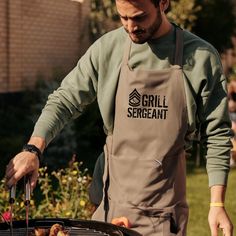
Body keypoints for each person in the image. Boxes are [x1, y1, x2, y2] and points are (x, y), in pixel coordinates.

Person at [5, 0, 234, 235]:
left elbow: (217, 133)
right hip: (108, 210)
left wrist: (217, 204)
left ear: (163, 3)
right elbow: (64, 100)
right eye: (123, 18)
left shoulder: (201, 57)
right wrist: (33, 148)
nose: (130, 27)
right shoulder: (108, 48)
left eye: (139, 17)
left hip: (163, 216)